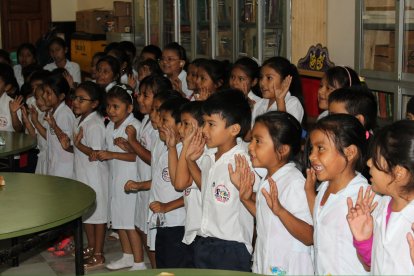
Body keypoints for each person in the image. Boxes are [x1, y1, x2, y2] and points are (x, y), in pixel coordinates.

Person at [230, 111, 314, 275]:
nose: (250, 146)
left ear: (282, 150)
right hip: (266, 265)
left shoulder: (294, 183)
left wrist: (281, 211)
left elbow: (309, 236)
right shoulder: (269, 177)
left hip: (289, 269)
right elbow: (267, 218)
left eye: (258, 141)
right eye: (252, 139)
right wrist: (246, 198)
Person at [186, 89, 258, 271]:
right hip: (204, 241)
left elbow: (258, 199)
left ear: (234, 129)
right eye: (204, 123)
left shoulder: (244, 160)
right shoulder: (210, 155)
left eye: (211, 124)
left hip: (231, 247)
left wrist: (247, 192)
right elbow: (207, 188)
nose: (203, 130)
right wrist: (189, 160)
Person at [305, 113, 370, 275]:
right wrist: (309, 191)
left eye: (320, 148)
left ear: (349, 152)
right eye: (312, 149)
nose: (312, 156)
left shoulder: (362, 197)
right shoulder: (324, 187)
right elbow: (322, 218)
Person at [347, 120, 414, 274]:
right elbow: (373, 265)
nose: (369, 163)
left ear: (399, 173)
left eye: (376, 159)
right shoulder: (383, 204)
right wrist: (364, 240)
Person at [59, 81, 109, 270]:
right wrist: (70, 147)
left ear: (94, 104)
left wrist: (78, 146)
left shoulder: (95, 125)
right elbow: (81, 151)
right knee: (88, 213)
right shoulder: (80, 119)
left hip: (95, 176)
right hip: (83, 174)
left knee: (98, 215)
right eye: (75, 98)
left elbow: (95, 154)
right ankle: (90, 246)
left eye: (82, 99)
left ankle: (99, 253)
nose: (76, 102)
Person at [150, 96, 191, 268]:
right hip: (163, 221)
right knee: (163, 264)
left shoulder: (186, 154)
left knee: (175, 266)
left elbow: (191, 192)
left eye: (164, 120)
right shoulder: (167, 148)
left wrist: (167, 206)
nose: (159, 124)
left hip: (178, 222)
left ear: (180, 125)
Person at [42, 69, 75, 178]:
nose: (44, 96)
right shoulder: (53, 112)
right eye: (44, 92)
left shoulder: (64, 114)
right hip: (55, 165)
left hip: (64, 168)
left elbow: (67, 142)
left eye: (49, 93)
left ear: (61, 96)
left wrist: (55, 126)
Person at [253, 56, 305, 124]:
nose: (262, 83)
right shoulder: (259, 104)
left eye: (269, 78)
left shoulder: (293, 103)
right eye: (261, 77)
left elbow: (287, 132)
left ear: (285, 81)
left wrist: (280, 100)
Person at [21, 85, 50, 174]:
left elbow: (49, 137)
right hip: (42, 158)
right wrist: (28, 121)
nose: (39, 102)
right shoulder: (41, 114)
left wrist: (35, 122)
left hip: (50, 159)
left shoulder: (55, 115)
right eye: (37, 98)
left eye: (42, 98)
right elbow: (35, 139)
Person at [0, 63, 23, 132]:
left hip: (7, 142)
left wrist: (13, 113)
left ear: (7, 87)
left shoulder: (12, 103)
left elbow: (18, 129)